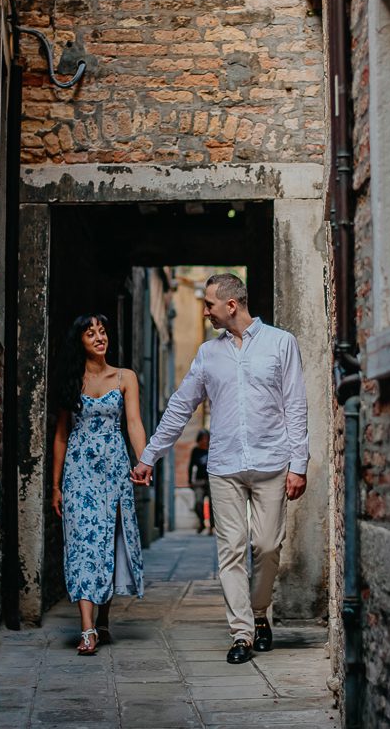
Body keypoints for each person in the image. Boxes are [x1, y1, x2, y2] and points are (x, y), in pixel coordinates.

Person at [131, 273, 308, 664]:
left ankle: (260, 612)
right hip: (225, 464)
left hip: (272, 461)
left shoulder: (282, 343)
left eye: (209, 304)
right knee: (230, 549)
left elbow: (295, 405)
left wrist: (299, 464)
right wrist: (149, 456)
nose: (205, 310)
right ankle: (242, 633)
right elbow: (181, 406)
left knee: (266, 546)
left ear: (231, 305)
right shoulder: (208, 355)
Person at [51, 313, 147, 656]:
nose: (98, 337)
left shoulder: (125, 378)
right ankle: (88, 628)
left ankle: (102, 622)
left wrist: (144, 460)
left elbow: (133, 423)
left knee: (108, 540)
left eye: (102, 331)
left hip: (114, 473)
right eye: (90, 333)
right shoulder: (71, 380)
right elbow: (61, 435)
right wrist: (56, 485)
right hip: (78, 474)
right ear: (80, 341)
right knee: (82, 544)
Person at [189, 430, 212, 533]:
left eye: (206, 438)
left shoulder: (213, 449)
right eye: (202, 438)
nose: (204, 440)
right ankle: (202, 523)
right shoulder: (196, 451)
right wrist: (190, 480)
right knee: (198, 503)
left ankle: (211, 526)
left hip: (212, 480)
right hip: (199, 481)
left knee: (213, 504)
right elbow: (191, 465)